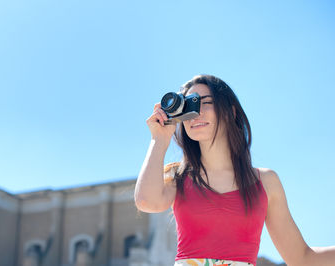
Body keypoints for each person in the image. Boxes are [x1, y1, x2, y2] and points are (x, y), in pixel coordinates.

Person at [134, 74, 335, 266]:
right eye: (188, 107)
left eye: (205, 102)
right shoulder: (178, 177)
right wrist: (159, 139)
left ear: (231, 111)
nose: (196, 113)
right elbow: (146, 201)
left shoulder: (266, 182)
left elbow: (302, 258)